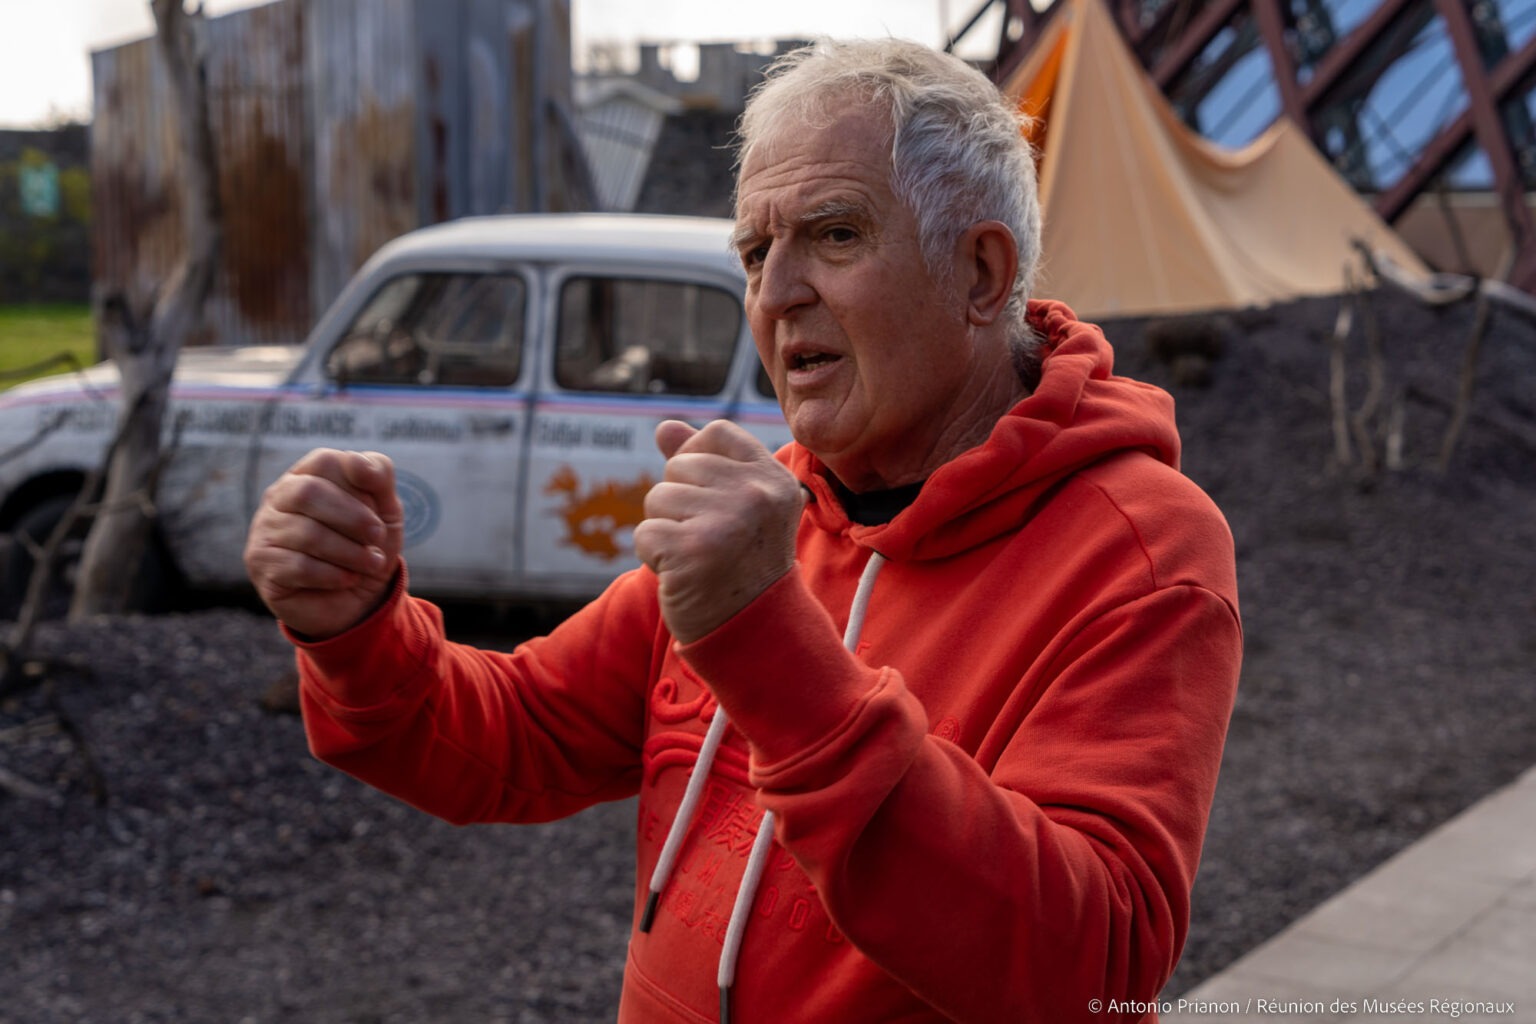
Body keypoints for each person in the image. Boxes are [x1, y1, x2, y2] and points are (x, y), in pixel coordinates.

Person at [244, 38, 1241, 1024]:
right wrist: (358, 630)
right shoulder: (779, 503)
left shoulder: (1141, 550)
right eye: (758, 252)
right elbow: (514, 738)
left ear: (982, 275)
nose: (775, 294)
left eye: (835, 234)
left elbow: (1093, 969)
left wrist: (773, 649)